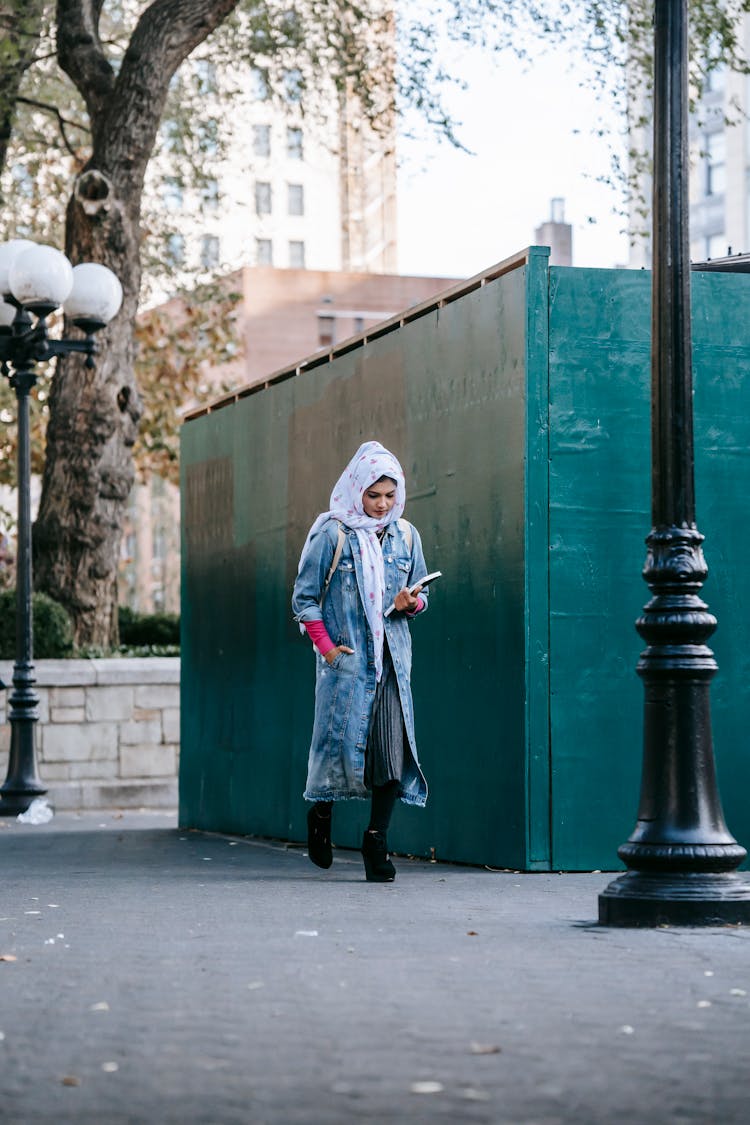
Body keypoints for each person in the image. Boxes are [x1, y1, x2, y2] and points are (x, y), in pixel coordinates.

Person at [292, 440, 431, 882]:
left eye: (390, 495)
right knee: (335, 748)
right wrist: (328, 648)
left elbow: (421, 594)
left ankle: (376, 841)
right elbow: (305, 600)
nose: (382, 504)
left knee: (392, 751)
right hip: (347, 663)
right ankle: (321, 815)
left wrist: (412, 603)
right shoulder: (332, 533)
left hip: (392, 663)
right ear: (357, 490)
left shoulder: (406, 534)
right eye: (374, 495)